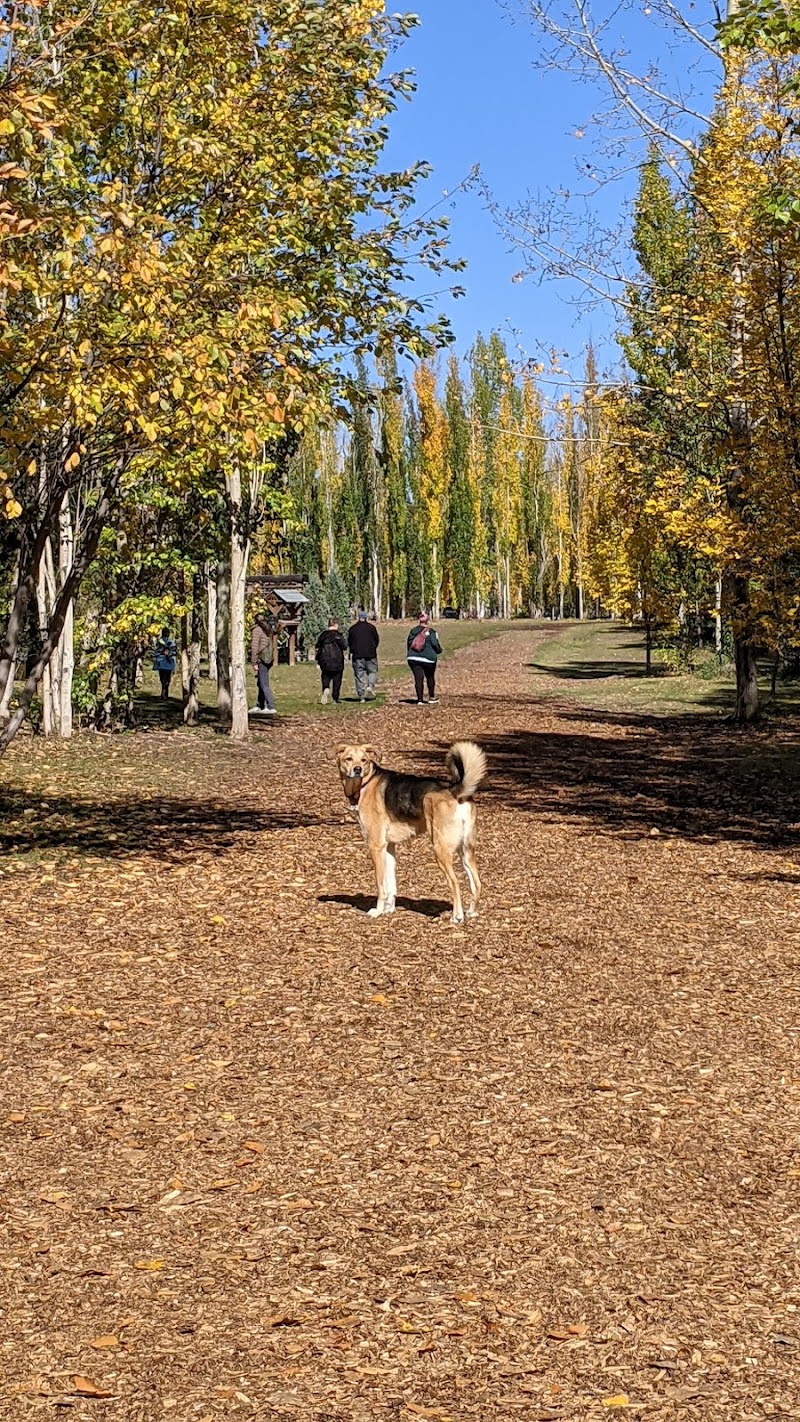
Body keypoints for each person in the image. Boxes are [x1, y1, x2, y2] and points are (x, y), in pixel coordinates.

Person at [406, 611, 442, 706]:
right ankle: (431, 696)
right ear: (427, 621)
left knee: (418, 678)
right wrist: (439, 651)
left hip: (413, 657)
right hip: (428, 659)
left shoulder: (413, 631)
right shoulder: (432, 632)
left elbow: (409, 643)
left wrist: (410, 654)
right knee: (430, 677)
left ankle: (420, 699)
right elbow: (435, 644)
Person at [347, 609, 380, 703]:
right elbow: (376, 640)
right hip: (370, 654)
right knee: (372, 671)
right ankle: (370, 686)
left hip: (357, 655)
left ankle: (361, 696)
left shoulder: (353, 629)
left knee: (359, 675)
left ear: (358, 618)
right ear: (366, 618)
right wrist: (373, 648)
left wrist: (352, 650)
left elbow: (349, 642)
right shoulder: (371, 628)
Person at [315, 617, 348, 704]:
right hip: (337, 661)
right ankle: (335, 698)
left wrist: (318, 661)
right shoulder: (338, 636)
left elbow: (318, 648)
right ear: (336, 625)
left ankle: (326, 688)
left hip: (325, 661)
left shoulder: (323, 636)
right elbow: (345, 646)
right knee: (337, 680)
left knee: (325, 677)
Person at [250, 612, 277, 715]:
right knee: (260, 682)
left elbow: (254, 647)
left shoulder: (257, 630)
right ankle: (259, 705)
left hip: (262, 658)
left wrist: (254, 661)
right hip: (269, 658)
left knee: (263, 683)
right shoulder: (268, 629)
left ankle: (271, 706)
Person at [153, 626, 177, 700]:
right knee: (165, 680)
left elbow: (157, 652)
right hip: (165, 663)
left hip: (165, 663)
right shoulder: (166, 642)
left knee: (164, 679)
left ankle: (164, 694)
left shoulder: (168, 642)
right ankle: (164, 694)